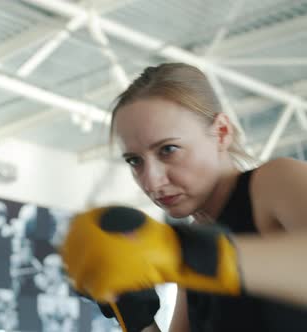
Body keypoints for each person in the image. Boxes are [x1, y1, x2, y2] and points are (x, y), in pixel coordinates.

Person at [60, 63, 307, 332]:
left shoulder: (274, 182)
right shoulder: (192, 239)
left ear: (222, 133)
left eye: (168, 149)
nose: (151, 180)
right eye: (135, 160)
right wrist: (135, 316)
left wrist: (192, 255)